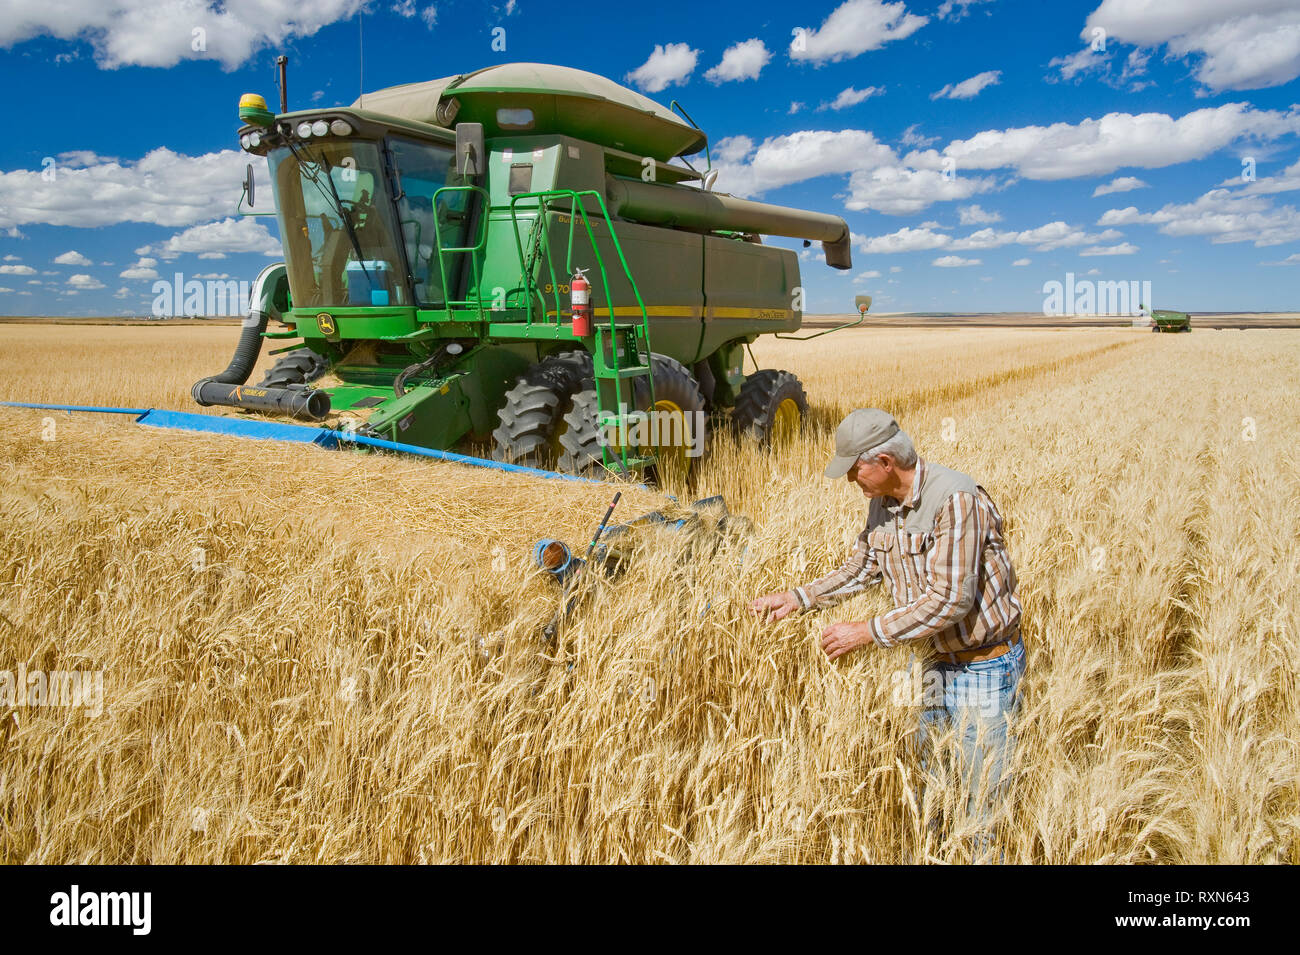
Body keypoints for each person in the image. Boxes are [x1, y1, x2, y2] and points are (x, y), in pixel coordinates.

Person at [749, 408, 1026, 859]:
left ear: (884, 462)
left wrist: (868, 632)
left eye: (854, 468)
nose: (848, 480)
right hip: (933, 667)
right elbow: (862, 569)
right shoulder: (882, 504)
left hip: (984, 669)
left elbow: (951, 600)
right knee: (934, 796)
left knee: (981, 811)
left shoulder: (955, 499)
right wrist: (798, 597)